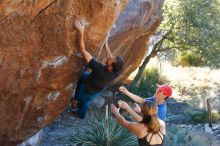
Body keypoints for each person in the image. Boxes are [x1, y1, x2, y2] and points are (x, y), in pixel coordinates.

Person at [70, 18, 124, 119]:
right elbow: (110, 58)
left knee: (84, 101)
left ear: (110, 67)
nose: (111, 57)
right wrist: (106, 44)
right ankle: (76, 98)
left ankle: (80, 114)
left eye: (112, 60)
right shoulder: (117, 70)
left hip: (91, 89)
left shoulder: (99, 69)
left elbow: (82, 50)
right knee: (81, 80)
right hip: (94, 83)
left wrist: (81, 32)